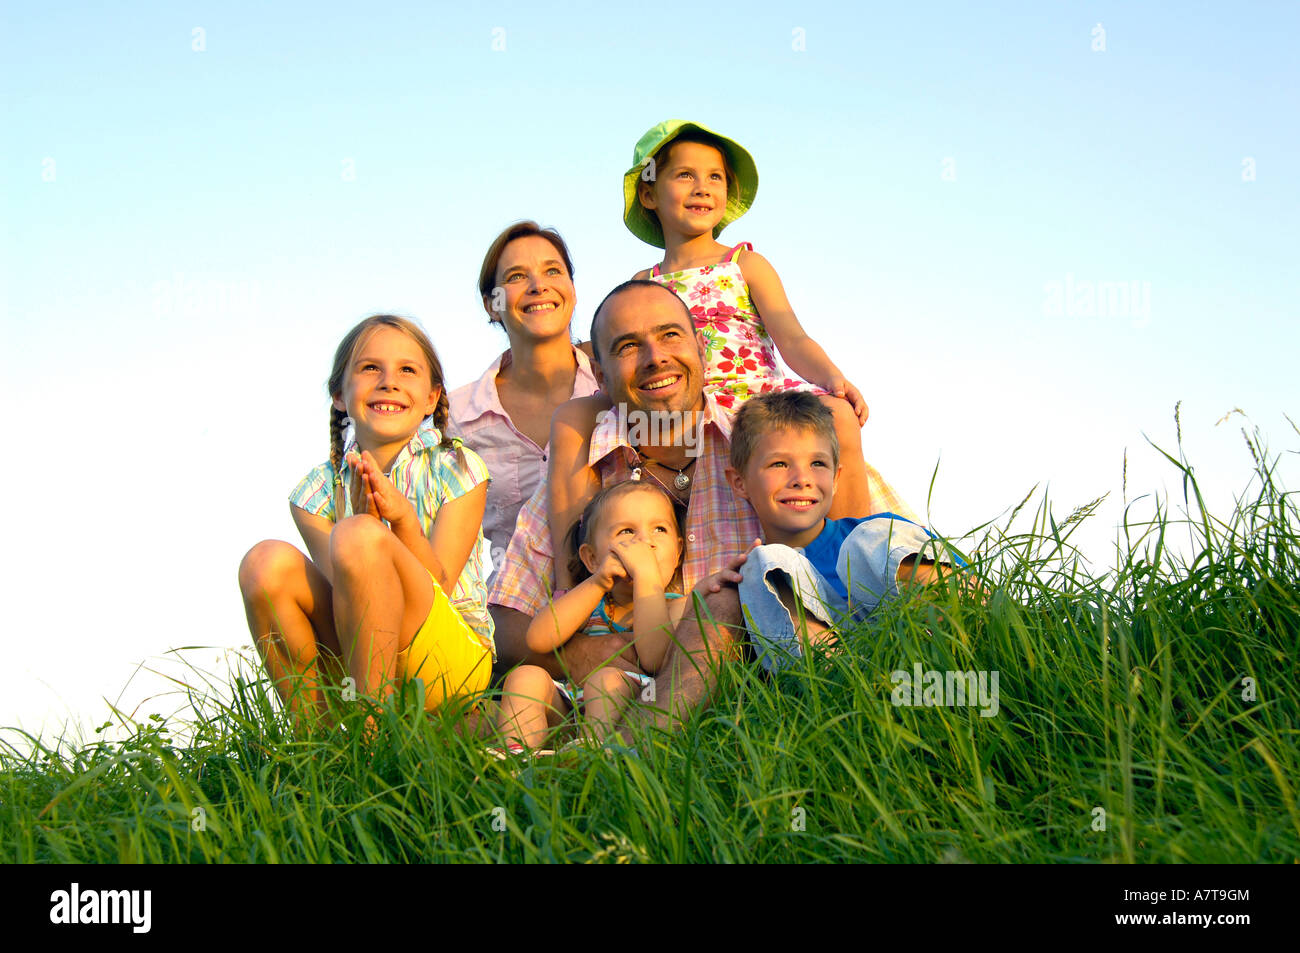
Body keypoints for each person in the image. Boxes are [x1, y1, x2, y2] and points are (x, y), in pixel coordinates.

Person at [547, 121, 909, 578]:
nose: (702, 188)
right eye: (685, 176)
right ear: (648, 195)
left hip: (751, 402)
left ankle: (851, 565)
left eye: (714, 177)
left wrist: (831, 377)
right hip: (674, 398)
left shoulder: (743, 263)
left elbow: (791, 335)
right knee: (576, 417)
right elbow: (615, 346)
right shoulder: (644, 282)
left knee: (837, 418)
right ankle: (576, 574)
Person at [490, 279, 763, 725]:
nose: (656, 358)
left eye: (670, 335)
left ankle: (642, 747)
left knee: (724, 604)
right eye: (629, 346)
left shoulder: (760, 451)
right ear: (599, 376)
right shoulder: (580, 472)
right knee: (475, 720)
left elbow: (862, 559)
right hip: (601, 704)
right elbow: (506, 624)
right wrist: (587, 654)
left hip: (742, 708)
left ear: (702, 349)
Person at [239, 314, 495, 721]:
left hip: (448, 662)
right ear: (339, 395)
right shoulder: (315, 495)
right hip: (359, 648)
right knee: (264, 562)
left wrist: (402, 522)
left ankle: (373, 738)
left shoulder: (459, 468)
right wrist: (366, 529)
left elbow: (441, 586)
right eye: (370, 367)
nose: (388, 381)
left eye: (407, 370)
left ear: (431, 399)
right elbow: (348, 598)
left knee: (360, 533)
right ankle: (318, 744)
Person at [725, 392, 963, 673]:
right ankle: (839, 682)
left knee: (871, 536)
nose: (802, 479)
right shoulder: (756, 573)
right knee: (762, 564)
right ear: (739, 483)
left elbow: (975, 578)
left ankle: (969, 631)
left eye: (818, 464)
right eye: (779, 464)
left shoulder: (876, 534)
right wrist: (729, 585)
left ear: (836, 478)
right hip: (837, 677)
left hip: (918, 648)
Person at [449, 222, 601, 590]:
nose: (539, 285)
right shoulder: (456, 416)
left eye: (553, 270)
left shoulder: (611, 387)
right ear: (492, 305)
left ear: (572, 290)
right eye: (518, 276)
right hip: (509, 606)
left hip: (617, 592)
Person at [496, 481, 688, 752]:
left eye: (660, 529)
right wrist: (597, 582)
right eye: (627, 532)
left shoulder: (676, 607)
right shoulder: (588, 601)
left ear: (678, 551)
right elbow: (538, 640)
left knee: (606, 679)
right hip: (571, 706)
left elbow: (654, 658)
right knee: (526, 676)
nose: (646, 543)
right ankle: (515, 753)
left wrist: (647, 577)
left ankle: (593, 753)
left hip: (634, 709)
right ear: (592, 558)